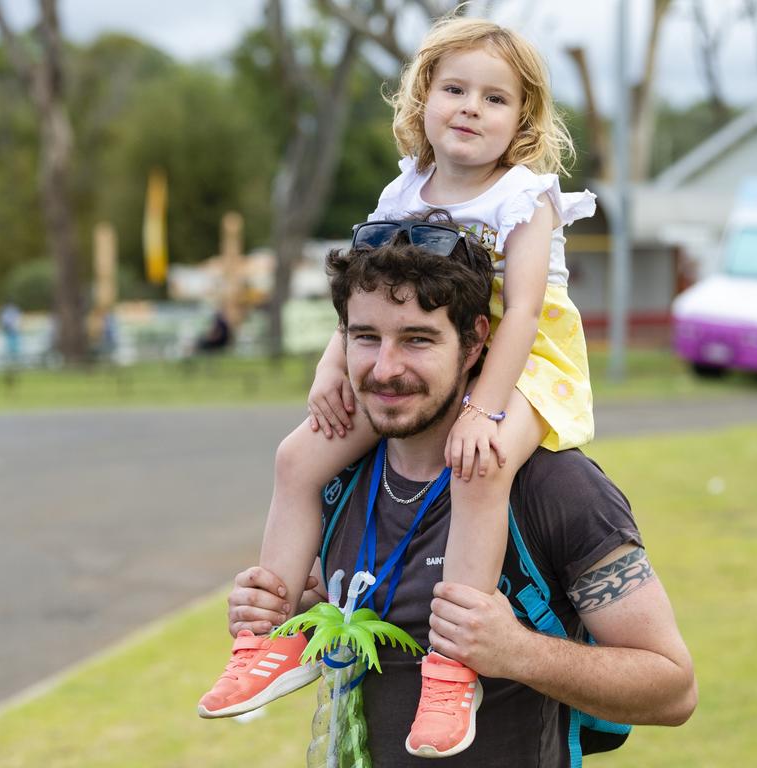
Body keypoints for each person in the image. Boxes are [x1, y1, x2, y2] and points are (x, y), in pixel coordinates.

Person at [200, 15, 599, 757]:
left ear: (522, 120)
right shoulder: (406, 187)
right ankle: (274, 635)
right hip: (423, 358)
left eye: (495, 98)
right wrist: (332, 369)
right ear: (423, 101)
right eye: (454, 89)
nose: (471, 108)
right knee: (298, 455)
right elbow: (369, 293)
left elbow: (521, 320)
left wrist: (484, 408)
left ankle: (453, 667)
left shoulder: (526, 196)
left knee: (478, 465)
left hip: (523, 359)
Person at [211, 233, 697, 766]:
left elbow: (673, 688)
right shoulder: (337, 477)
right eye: (366, 337)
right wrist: (298, 612)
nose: (385, 367)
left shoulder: (552, 486)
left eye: (417, 340)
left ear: (472, 344)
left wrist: (517, 652)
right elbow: (377, 603)